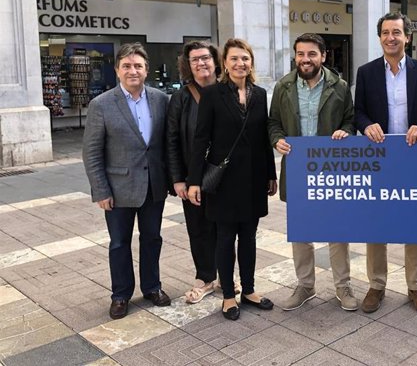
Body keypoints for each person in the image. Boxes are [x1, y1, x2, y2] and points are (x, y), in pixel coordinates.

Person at [354, 12, 417, 314]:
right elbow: (359, 112)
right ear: (380, 38)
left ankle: (416, 285)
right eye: (385, 33)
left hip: (414, 156)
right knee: (375, 223)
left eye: (396, 32)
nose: (391, 37)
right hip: (378, 159)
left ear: (408, 37)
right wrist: (366, 126)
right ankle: (376, 285)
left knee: (413, 223)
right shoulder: (365, 73)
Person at [187, 39, 278, 321]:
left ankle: (248, 290)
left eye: (245, 59)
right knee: (225, 238)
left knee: (249, 237)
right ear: (225, 63)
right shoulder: (213, 94)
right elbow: (200, 138)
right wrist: (194, 180)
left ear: (251, 63)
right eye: (235, 59)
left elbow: (264, 138)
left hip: (252, 179)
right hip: (223, 180)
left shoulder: (260, 94)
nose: (240, 64)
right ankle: (228, 295)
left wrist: (271, 174)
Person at [268, 33, 357, 311]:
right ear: (295, 56)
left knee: (337, 231)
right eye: (300, 54)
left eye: (311, 54)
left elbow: (350, 120)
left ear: (323, 56)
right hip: (297, 169)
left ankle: (343, 286)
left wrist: (346, 131)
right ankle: (305, 285)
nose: (305, 59)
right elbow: (273, 123)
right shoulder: (283, 87)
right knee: (301, 232)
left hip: (330, 169)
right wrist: (277, 139)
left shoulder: (339, 87)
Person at [83, 42, 171, 320]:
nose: (133, 70)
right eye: (127, 66)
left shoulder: (160, 99)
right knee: (119, 243)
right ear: (117, 70)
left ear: (146, 70)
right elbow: (92, 152)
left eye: (138, 66)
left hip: (153, 186)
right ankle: (121, 294)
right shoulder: (101, 104)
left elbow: (167, 145)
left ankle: (152, 287)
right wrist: (100, 190)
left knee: (152, 238)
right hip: (118, 190)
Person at [167, 41, 231, 304]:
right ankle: (205, 278)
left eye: (205, 58)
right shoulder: (181, 97)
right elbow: (171, 139)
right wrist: (178, 179)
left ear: (216, 61)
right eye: (194, 60)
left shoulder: (230, 91)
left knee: (225, 228)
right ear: (187, 65)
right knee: (198, 228)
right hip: (193, 178)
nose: (201, 64)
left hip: (226, 177)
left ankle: (226, 277)